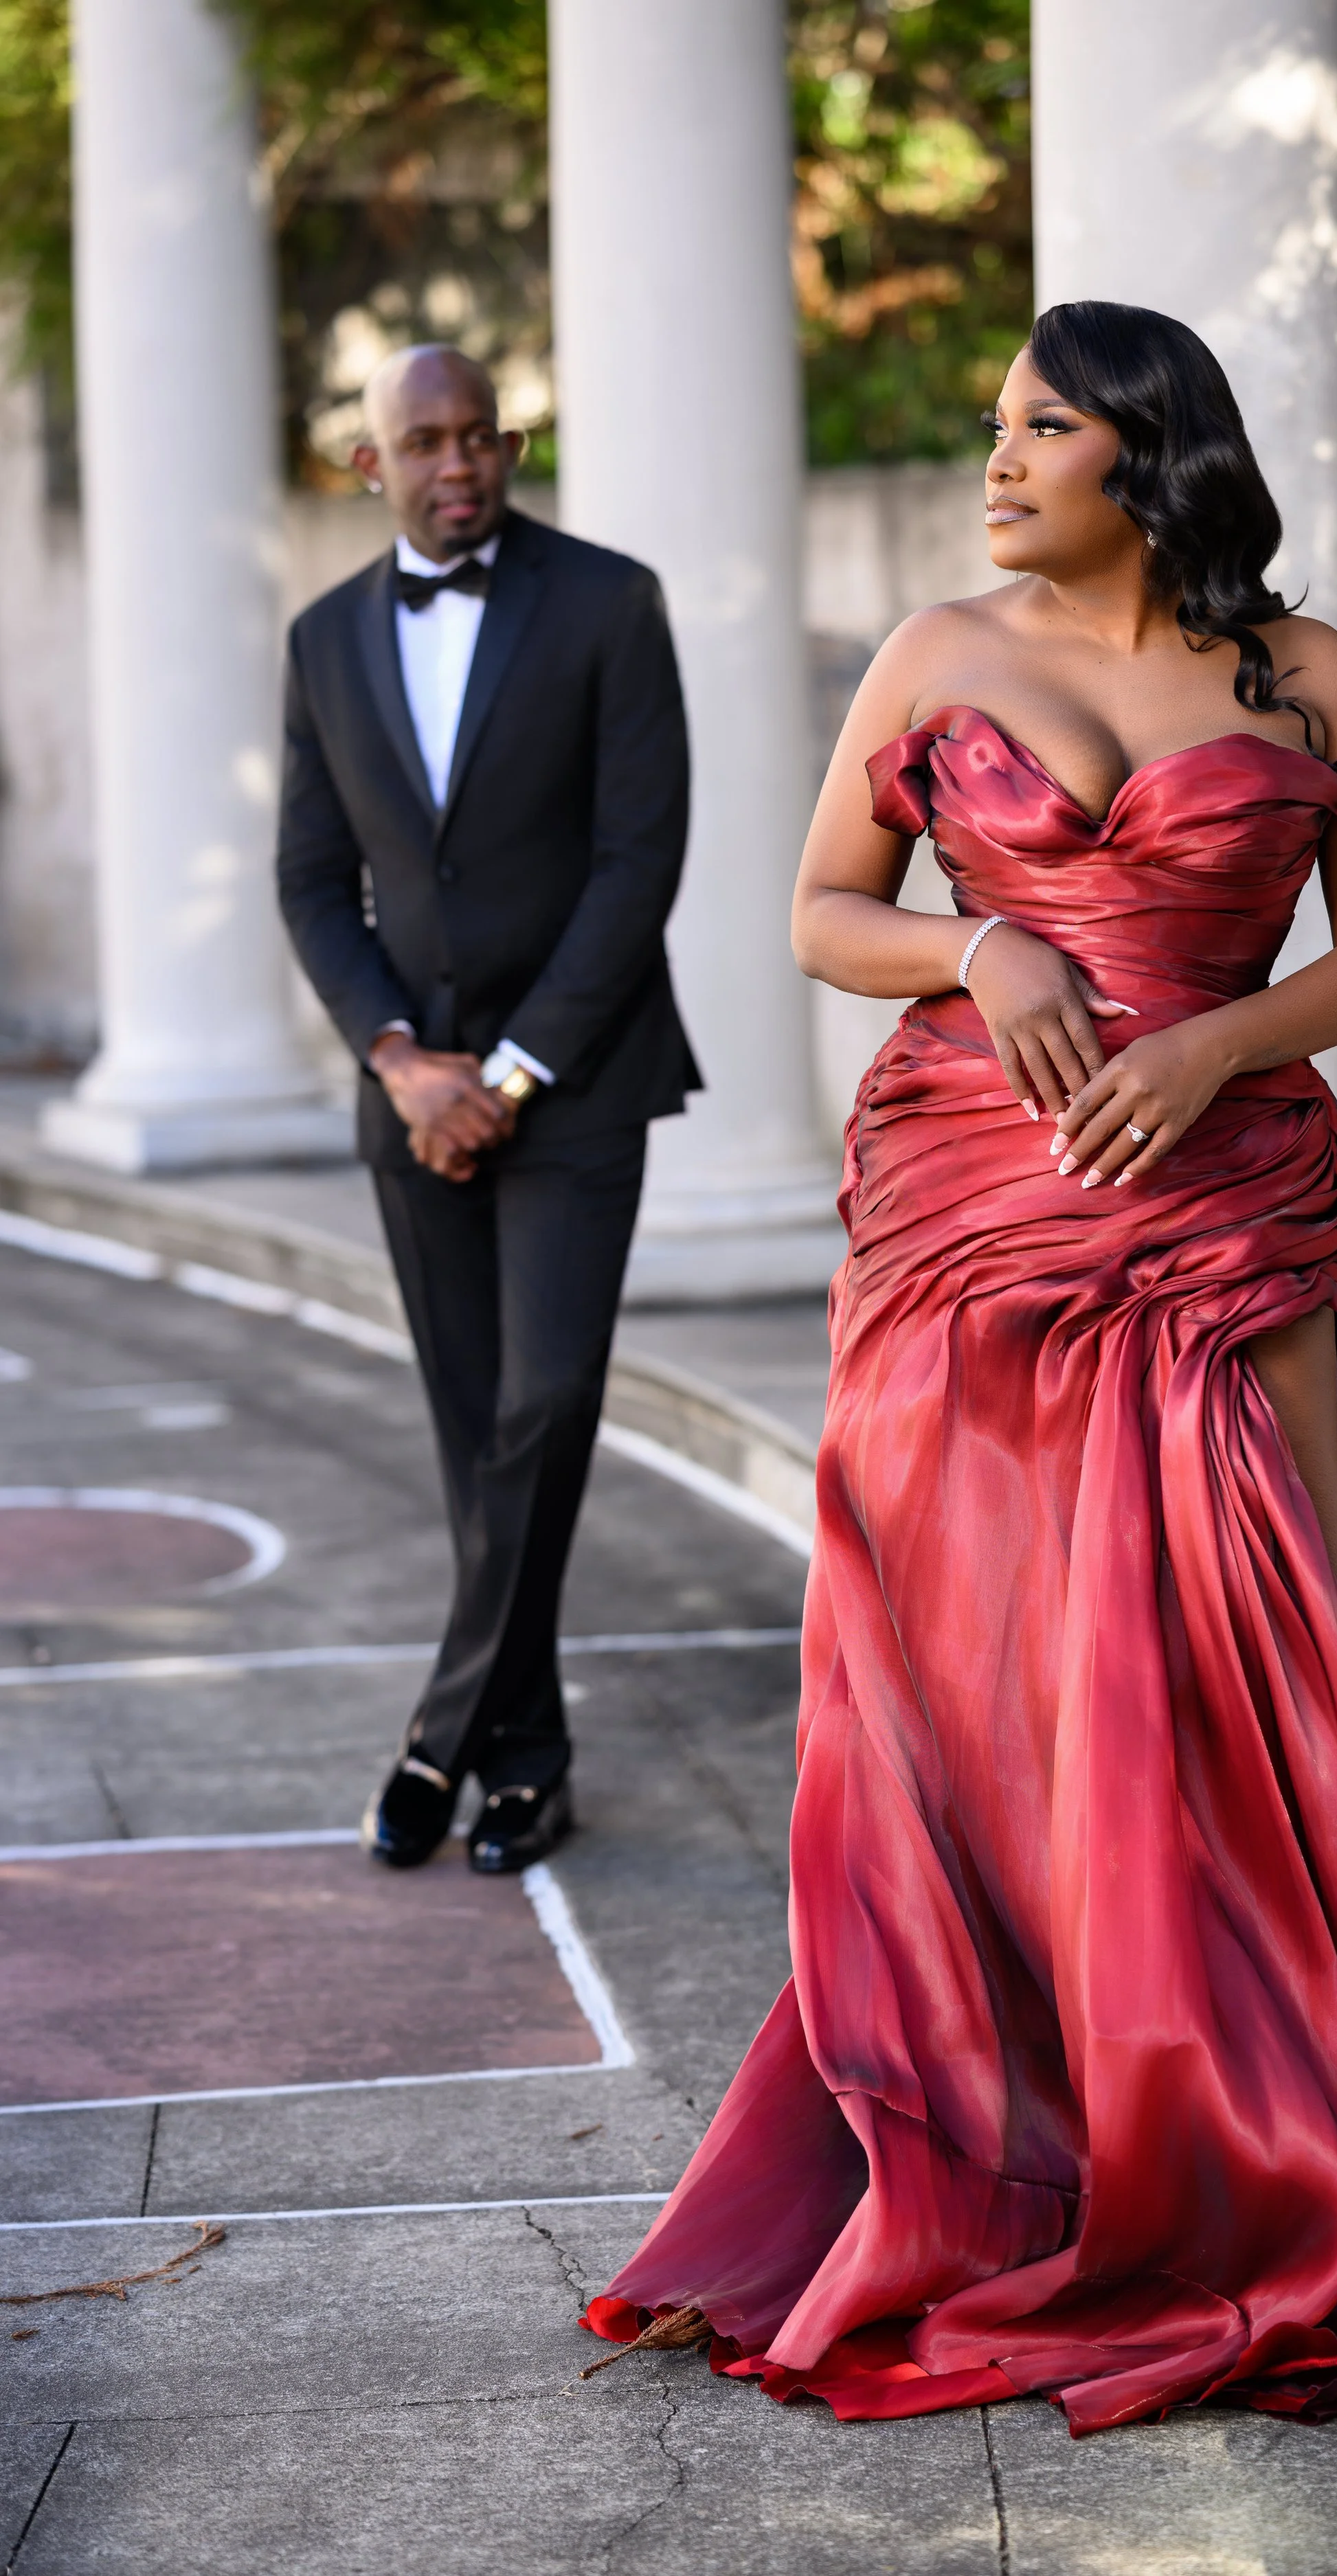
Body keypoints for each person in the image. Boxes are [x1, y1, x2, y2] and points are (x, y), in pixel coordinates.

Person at [583, 303, 1337, 2429]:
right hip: (969, 1232)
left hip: (1233, 1212)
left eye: (1043, 426)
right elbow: (822, 912)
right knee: (980, 1694)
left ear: (1150, 457)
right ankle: (1022, 2137)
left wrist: (1214, 1040)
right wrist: (976, 939)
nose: (995, 459)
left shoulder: (1300, 669)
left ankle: (1258, 2140)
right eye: (994, 424)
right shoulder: (933, 653)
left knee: (1256, 1676)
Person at [277, 345, 697, 1876]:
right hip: (414, 1100)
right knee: (472, 1436)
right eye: (425, 442)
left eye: (480, 437)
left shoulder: (609, 603)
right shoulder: (324, 638)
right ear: (369, 463)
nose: (457, 464)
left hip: (576, 1083)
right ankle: (526, 1761)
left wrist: (510, 1072)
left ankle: (436, 1736)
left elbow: (639, 862)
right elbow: (311, 880)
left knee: (545, 1405)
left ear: (509, 448)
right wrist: (403, 1063)